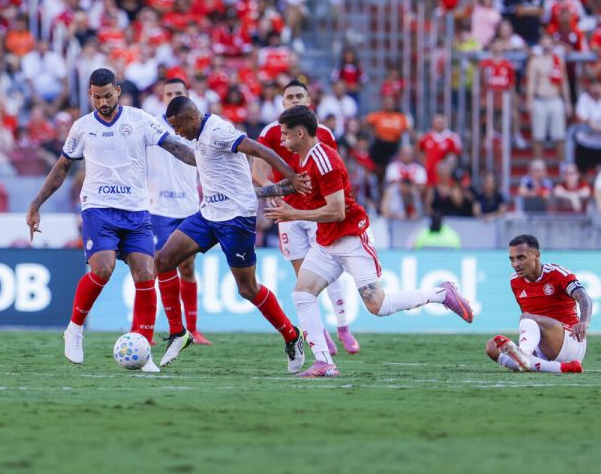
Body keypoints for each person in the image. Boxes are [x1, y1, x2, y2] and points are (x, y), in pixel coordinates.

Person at [266, 106, 473, 378]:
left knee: (379, 306)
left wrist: (293, 214)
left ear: (300, 133)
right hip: (326, 241)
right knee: (302, 294)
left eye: (285, 134)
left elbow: (337, 211)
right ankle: (325, 362)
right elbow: (298, 190)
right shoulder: (305, 159)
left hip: (351, 237)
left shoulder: (325, 160)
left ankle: (441, 294)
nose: (281, 139)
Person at [26, 68, 200, 373]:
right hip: (99, 209)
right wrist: (36, 203)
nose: (103, 102)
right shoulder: (82, 127)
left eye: (108, 95)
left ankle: (144, 351)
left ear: (117, 91)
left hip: (136, 211)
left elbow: (175, 147)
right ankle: (74, 329)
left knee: (147, 274)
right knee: (103, 268)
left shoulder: (140, 120)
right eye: (96, 96)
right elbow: (62, 168)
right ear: (90, 94)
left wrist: (206, 162)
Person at [154, 95, 311, 372]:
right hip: (207, 215)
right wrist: (165, 142)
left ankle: (291, 335)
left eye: (178, 127)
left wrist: (291, 175)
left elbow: (259, 150)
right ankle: (179, 332)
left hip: (236, 219)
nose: (178, 132)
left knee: (247, 289)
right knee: (164, 260)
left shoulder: (219, 131)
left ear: (191, 118)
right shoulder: (199, 137)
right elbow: (196, 158)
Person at [253, 79, 360, 354]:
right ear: (283, 103)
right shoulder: (271, 132)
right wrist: (273, 191)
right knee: (304, 276)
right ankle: (321, 331)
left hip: (316, 212)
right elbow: (257, 170)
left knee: (330, 270)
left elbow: (334, 172)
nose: (295, 100)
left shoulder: (323, 132)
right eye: (290, 97)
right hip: (287, 213)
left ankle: (343, 326)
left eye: (300, 95)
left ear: (309, 100)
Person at [146, 78, 211, 345]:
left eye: (178, 93)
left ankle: (192, 329)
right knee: (154, 264)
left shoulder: (197, 127)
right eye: (169, 93)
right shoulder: (150, 125)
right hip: (158, 206)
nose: (173, 96)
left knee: (187, 266)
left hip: (188, 206)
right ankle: (143, 326)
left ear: (187, 97)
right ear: (163, 97)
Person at [486, 235, 590, 373]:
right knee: (491, 347)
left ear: (537, 255)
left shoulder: (557, 273)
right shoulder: (514, 282)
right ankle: (560, 367)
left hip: (570, 341)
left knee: (527, 317)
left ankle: (523, 355)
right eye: (512, 259)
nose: (516, 264)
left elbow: (584, 298)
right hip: (543, 347)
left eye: (521, 257)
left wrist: (584, 322)